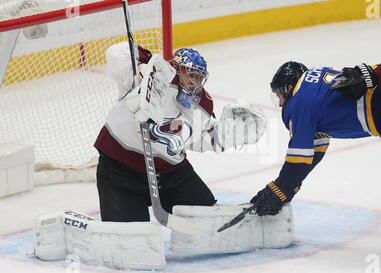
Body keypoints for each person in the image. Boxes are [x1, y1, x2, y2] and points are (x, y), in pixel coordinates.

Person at [249, 62, 381, 217]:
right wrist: (286, 188)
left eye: (278, 96)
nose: (281, 103)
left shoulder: (299, 102)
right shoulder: (314, 85)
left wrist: (280, 189)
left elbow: (299, 158)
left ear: (288, 86)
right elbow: (313, 153)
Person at [94, 43, 266, 222]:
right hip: (121, 168)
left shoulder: (201, 104)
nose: (193, 82)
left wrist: (231, 133)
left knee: (206, 220)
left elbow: (199, 138)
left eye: (197, 78)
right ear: (176, 69)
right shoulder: (146, 78)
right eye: (189, 75)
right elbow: (117, 53)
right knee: (128, 235)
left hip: (169, 173)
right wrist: (140, 69)